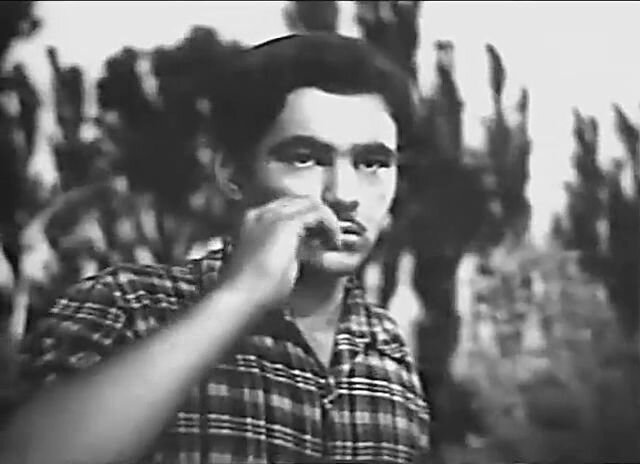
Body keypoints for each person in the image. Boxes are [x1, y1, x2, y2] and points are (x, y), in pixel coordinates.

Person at [0, 33, 431, 464]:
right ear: (232, 173)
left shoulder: (390, 355)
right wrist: (240, 296)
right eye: (305, 158)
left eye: (372, 163)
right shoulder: (128, 306)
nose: (344, 194)